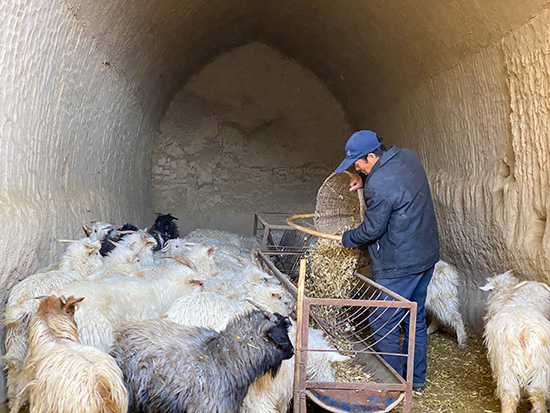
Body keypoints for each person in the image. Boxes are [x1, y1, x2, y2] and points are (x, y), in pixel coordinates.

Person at [334, 130, 440, 391]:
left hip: (399, 263)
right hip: (425, 255)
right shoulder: (407, 157)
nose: (355, 168)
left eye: (358, 163)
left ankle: (392, 387)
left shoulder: (379, 186)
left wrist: (345, 238)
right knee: (413, 318)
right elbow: (396, 187)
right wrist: (366, 181)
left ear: (372, 156)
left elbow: (371, 230)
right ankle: (414, 381)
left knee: (383, 320)